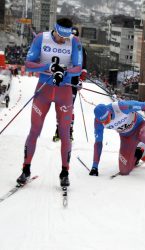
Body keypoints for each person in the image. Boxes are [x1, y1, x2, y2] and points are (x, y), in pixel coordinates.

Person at [16, 18, 83, 187]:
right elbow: (28, 64)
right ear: (55, 30)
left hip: (64, 91)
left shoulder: (74, 41)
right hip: (44, 90)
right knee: (35, 130)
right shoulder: (41, 38)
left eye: (66, 37)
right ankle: (26, 169)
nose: (63, 40)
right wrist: (48, 68)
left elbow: (78, 67)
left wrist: (64, 70)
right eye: (61, 36)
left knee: (65, 133)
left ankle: (65, 172)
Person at [89, 100, 145, 183]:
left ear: (109, 112)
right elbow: (98, 143)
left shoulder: (121, 107)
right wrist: (94, 166)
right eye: (104, 122)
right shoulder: (98, 122)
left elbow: (144, 105)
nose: (107, 122)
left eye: (108, 119)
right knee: (124, 171)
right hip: (126, 137)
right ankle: (138, 154)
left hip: (140, 126)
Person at [53, 26, 87, 142]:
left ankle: (69, 131)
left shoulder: (81, 49)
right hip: (61, 82)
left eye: (75, 35)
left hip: (73, 82)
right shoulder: (61, 47)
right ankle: (59, 130)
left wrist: (81, 79)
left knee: (69, 107)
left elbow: (84, 67)